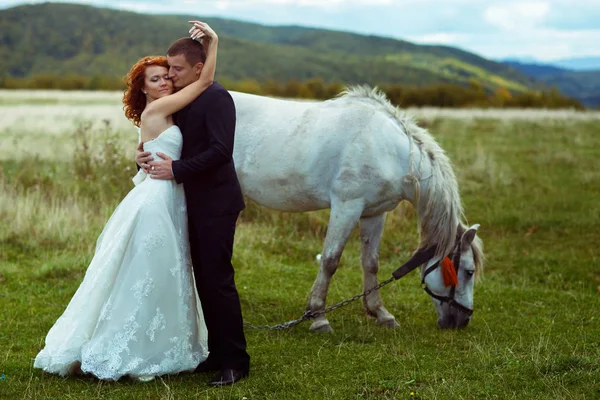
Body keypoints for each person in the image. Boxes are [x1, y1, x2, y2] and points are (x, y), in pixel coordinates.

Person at [34, 21, 218, 382]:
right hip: (156, 202)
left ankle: (166, 340)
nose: (165, 81)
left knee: (167, 273)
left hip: (167, 197)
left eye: (167, 75)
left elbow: (150, 151)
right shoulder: (154, 112)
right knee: (148, 273)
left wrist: (141, 158)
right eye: (156, 79)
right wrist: (214, 43)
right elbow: (206, 81)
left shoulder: (163, 112)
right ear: (143, 89)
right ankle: (130, 347)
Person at [135, 31, 250, 387]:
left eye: (176, 69)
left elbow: (220, 151)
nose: (170, 75)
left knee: (218, 281)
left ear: (198, 67)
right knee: (201, 281)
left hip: (216, 202)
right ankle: (215, 354)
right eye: (167, 69)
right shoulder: (182, 100)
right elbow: (165, 143)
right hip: (188, 204)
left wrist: (176, 170)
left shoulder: (217, 98)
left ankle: (236, 362)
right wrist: (143, 158)